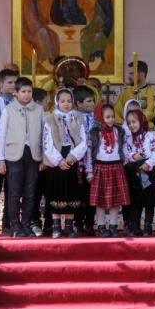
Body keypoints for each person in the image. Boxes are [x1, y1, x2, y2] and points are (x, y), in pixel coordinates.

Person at [0, 77, 44, 238]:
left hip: (33, 154)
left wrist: (44, 158)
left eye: (29, 91)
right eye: (23, 91)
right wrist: (0, 159)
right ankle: (15, 225)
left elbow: (44, 134)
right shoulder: (8, 110)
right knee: (14, 192)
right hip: (13, 155)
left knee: (30, 192)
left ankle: (26, 224)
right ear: (15, 93)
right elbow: (2, 135)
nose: (27, 94)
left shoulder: (39, 110)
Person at [42, 88, 88, 238]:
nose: (66, 104)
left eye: (69, 101)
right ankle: (56, 227)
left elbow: (83, 140)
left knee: (72, 192)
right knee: (56, 192)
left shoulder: (78, 118)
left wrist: (73, 156)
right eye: (63, 101)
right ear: (57, 102)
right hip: (56, 160)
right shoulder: (50, 119)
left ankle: (69, 227)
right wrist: (59, 160)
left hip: (71, 158)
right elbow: (47, 143)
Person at [86, 104, 129, 238]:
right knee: (100, 200)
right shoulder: (94, 133)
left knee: (115, 200)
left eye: (112, 117)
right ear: (100, 117)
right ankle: (101, 226)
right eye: (107, 117)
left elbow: (124, 147)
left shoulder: (119, 131)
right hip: (100, 168)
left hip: (116, 167)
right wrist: (89, 171)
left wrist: (127, 158)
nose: (111, 120)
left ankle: (113, 225)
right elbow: (89, 153)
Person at [124, 109, 155, 237]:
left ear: (141, 120)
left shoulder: (149, 136)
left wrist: (149, 163)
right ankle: (134, 226)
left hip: (148, 170)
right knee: (135, 200)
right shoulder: (128, 138)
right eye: (129, 123)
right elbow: (124, 152)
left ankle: (147, 226)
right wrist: (132, 155)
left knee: (149, 200)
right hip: (134, 171)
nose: (131, 125)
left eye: (134, 122)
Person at [0, 68, 18, 235]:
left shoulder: (19, 101)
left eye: (15, 82)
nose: (13, 85)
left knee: (12, 188)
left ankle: (9, 222)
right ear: (0, 83)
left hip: (14, 150)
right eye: (10, 82)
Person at [73, 85, 97, 236]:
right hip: (78, 162)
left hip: (93, 162)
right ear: (79, 103)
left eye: (93, 100)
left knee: (91, 194)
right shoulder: (73, 118)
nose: (92, 103)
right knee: (78, 194)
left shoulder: (96, 118)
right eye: (89, 101)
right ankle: (77, 223)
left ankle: (89, 223)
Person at [23, 0, 61, 65]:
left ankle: (55, 56)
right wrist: (40, 23)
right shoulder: (27, 2)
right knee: (44, 33)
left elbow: (39, 14)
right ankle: (49, 57)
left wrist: (44, 19)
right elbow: (29, 19)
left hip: (38, 26)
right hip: (31, 29)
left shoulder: (36, 0)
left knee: (54, 35)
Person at [80, 0, 114, 70]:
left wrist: (103, 28)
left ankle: (96, 53)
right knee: (84, 38)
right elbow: (95, 18)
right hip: (96, 25)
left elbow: (109, 17)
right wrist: (87, 28)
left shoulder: (107, 0)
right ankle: (87, 57)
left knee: (96, 36)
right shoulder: (98, 0)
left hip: (106, 27)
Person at [31, 87, 51, 233]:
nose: (47, 103)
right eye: (45, 101)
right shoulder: (31, 119)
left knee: (49, 193)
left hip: (48, 162)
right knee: (34, 194)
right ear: (38, 102)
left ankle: (50, 223)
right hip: (33, 162)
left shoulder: (49, 118)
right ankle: (34, 222)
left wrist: (45, 160)